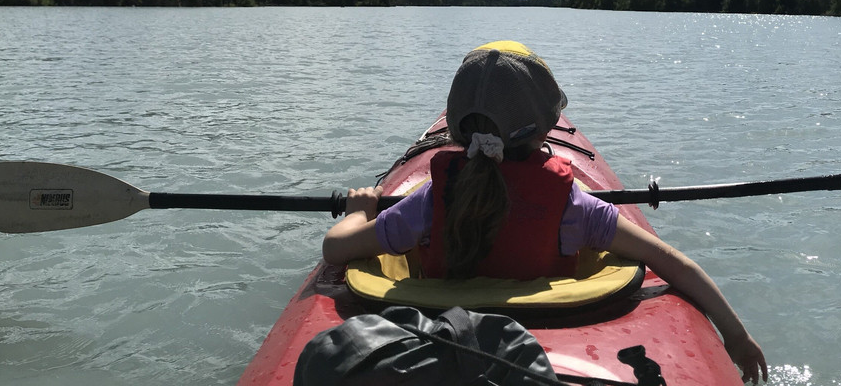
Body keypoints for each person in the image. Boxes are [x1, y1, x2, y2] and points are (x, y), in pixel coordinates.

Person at [322, 41, 768, 384]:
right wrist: (737, 336)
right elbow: (672, 262)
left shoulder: (429, 200)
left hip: (440, 330)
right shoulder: (572, 205)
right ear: (544, 129)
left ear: (458, 128)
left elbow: (335, 248)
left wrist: (360, 212)